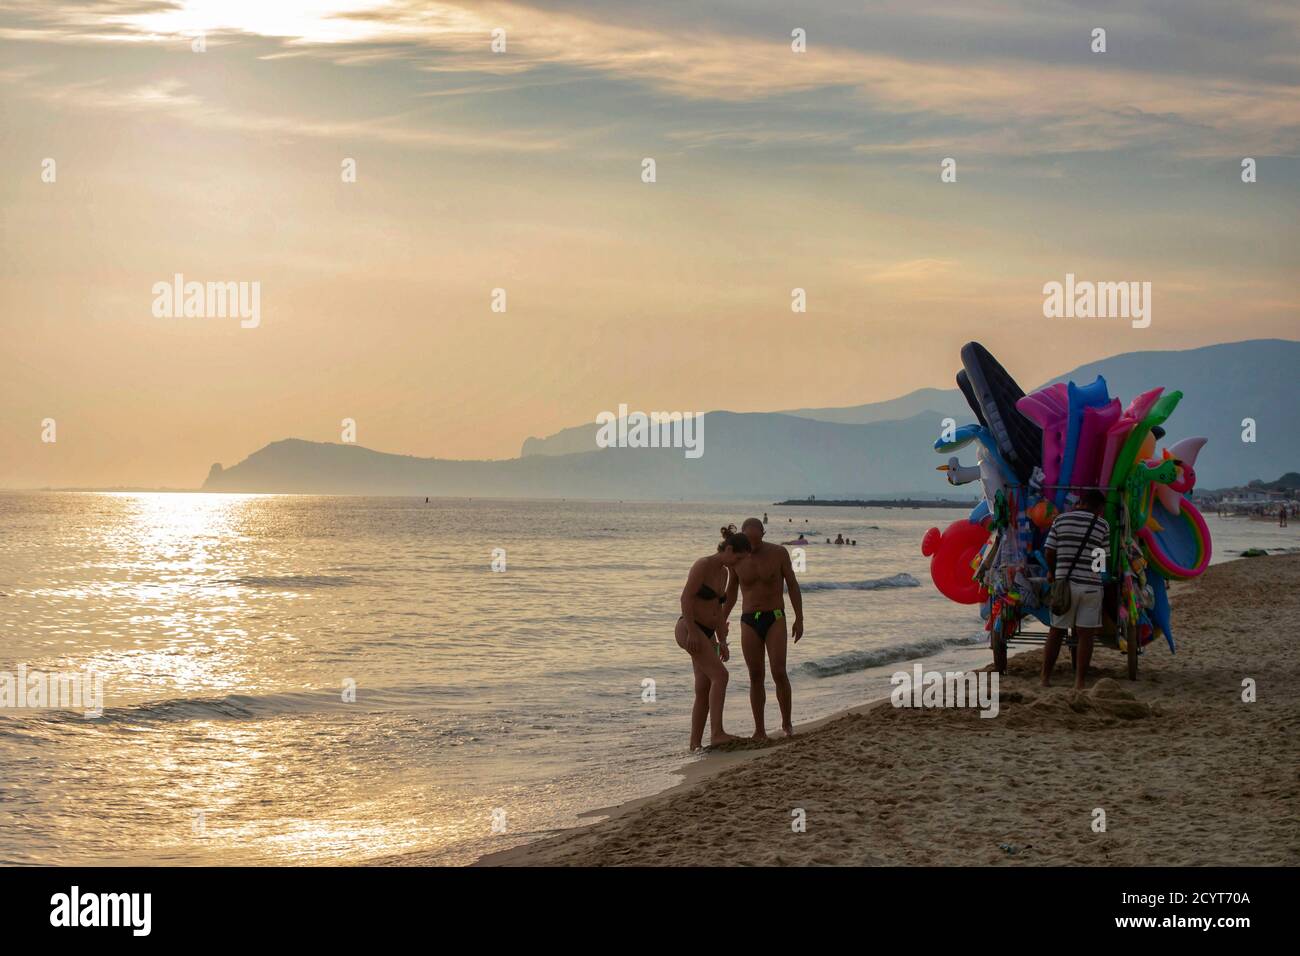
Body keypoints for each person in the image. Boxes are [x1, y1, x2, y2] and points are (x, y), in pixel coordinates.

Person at [724, 518, 804, 739]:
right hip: (749, 618)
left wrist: (800, 618)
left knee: (779, 671)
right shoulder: (737, 559)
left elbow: (793, 584)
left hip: (775, 616)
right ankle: (759, 729)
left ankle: (787, 723)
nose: (753, 545)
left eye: (756, 539)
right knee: (755, 675)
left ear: (763, 533)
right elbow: (731, 592)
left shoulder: (779, 553)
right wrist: (721, 620)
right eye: (749, 541)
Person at [676, 528, 752, 750]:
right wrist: (691, 631)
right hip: (688, 628)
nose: (738, 564)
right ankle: (717, 733)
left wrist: (722, 641)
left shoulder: (724, 573)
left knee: (704, 686)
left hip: (708, 633)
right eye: (737, 558)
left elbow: (718, 609)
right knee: (721, 675)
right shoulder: (703, 565)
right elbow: (686, 598)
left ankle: (694, 744)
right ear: (728, 549)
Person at [1040, 489, 1111, 690]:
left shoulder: (1060, 520)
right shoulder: (1102, 525)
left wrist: (1054, 572)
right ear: (1099, 508)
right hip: (1090, 587)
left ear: (1080, 502)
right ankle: (1079, 681)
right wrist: (1095, 574)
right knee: (1085, 635)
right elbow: (1101, 559)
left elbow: (1049, 551)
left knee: (1056, 631)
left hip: (1065, 585)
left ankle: (1045, 678)